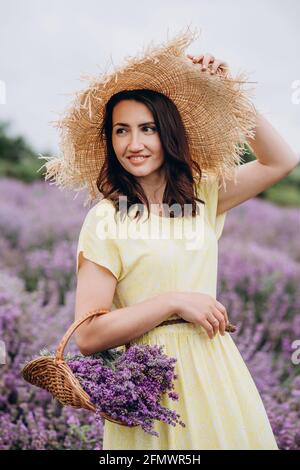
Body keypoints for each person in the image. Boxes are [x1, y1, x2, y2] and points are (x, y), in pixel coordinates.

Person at [39, 27, 298, 450]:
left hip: (217, 370)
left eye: (147, 129)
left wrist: (230, 94)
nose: (134, 143)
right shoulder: (107, 220)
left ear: (168, 135)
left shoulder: (201, 198)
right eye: (121, 130)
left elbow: (281, 161)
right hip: (153, 386)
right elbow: (88, 336)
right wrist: (173, 302)